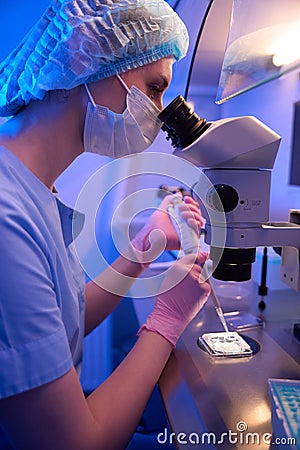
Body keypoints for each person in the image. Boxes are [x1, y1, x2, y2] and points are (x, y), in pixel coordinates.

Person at [0, 1, 211, 449]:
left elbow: (63, 321)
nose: (157, 114)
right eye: (154, 88)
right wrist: (167, 319)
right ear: (91, 59)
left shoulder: (34, 185)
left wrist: (143, 246)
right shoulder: (6, 218)